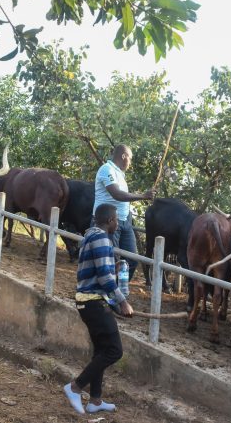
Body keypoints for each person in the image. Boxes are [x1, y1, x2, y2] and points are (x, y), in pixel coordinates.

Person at [63, 203, 134, 414]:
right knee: (114, 351)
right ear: (111, 220)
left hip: (88, 300)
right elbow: (104, 277)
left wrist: (114, 269)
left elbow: (100, 270)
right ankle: (75, 387)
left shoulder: (90, 236)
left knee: (101, 351)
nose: (118, 224)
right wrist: (122, 301)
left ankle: (95, 401)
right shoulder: (103, 238)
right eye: (117, 220)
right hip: (93, 302)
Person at [93, 144, 154, 279]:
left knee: (132, 260)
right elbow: (117, 194)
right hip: (107, 222)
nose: (130, 162)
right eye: (130, 158)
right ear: (123, 156)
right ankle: (110, 292)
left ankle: (119, 289)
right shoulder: (106, 169)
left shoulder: (120, 174)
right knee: (110, 261)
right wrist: (143, 196)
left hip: (124, 221)